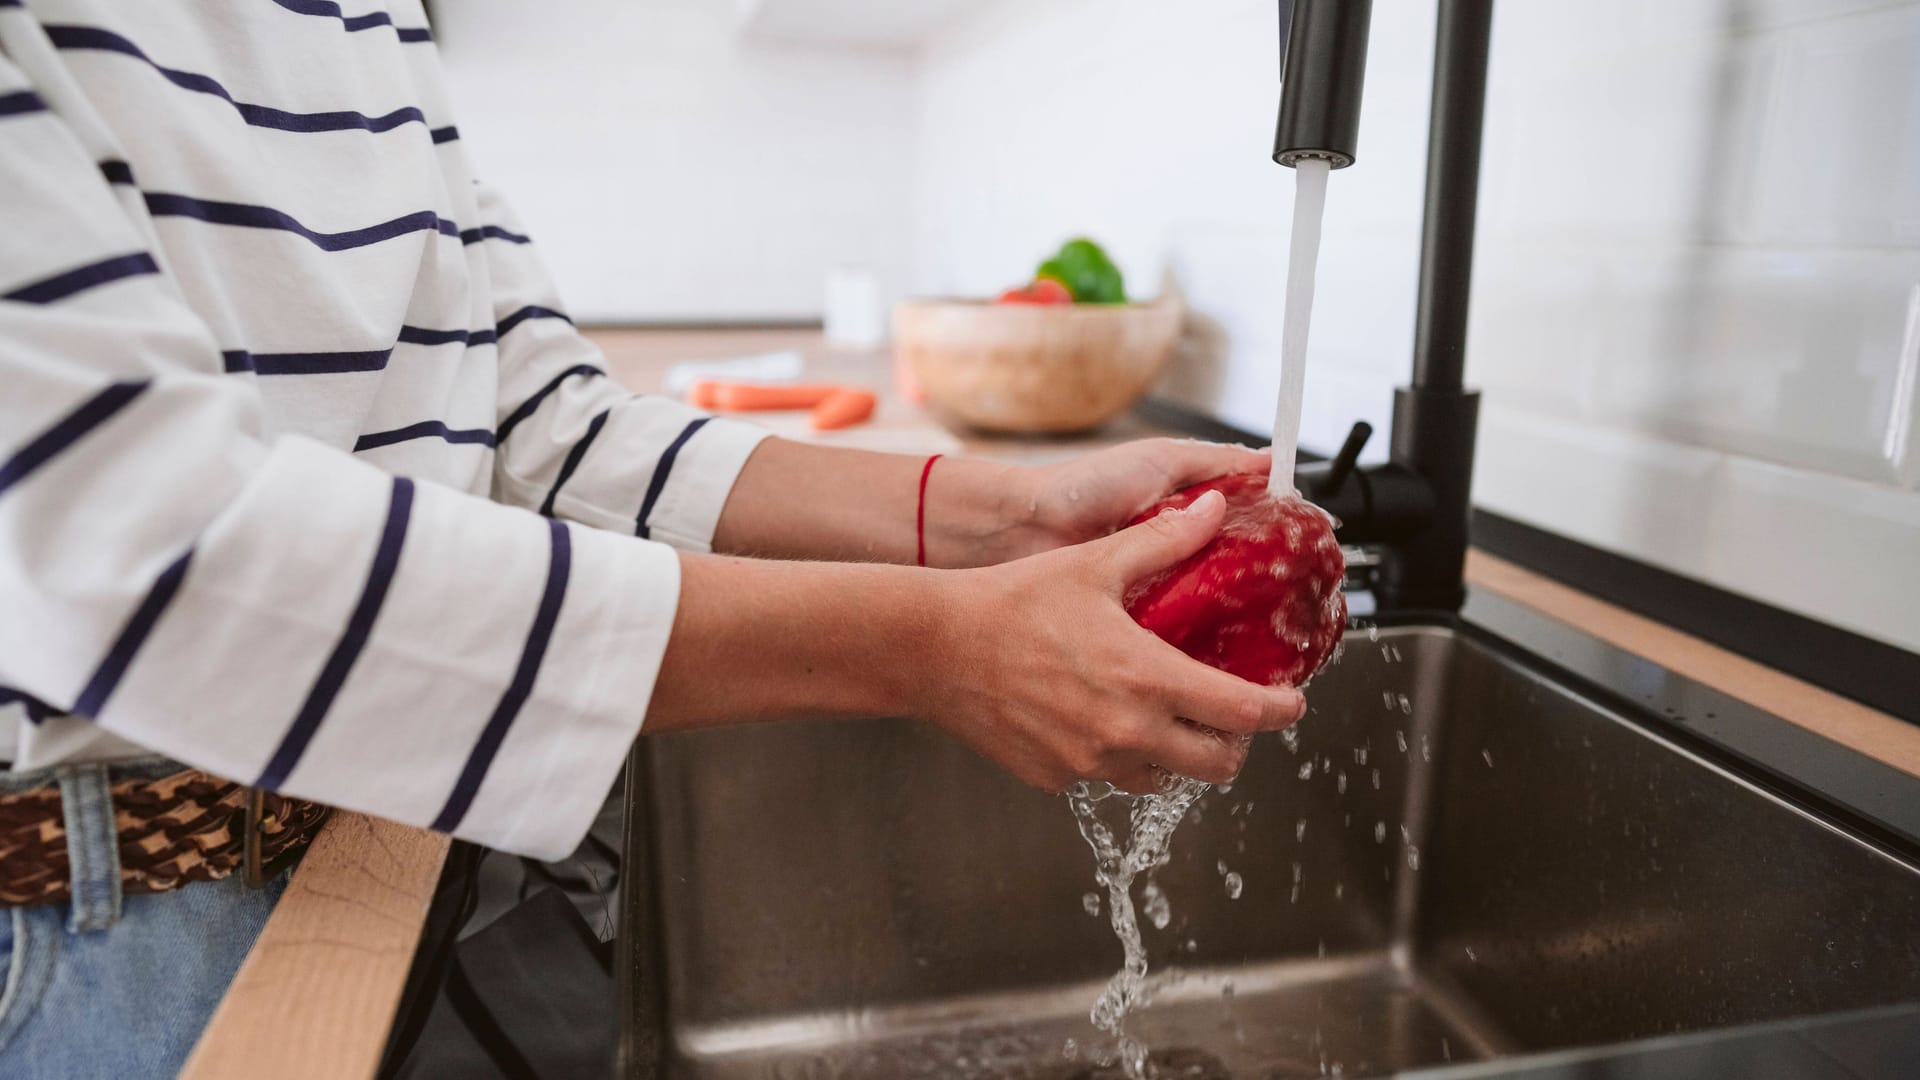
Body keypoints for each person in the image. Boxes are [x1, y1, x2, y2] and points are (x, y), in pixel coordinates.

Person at [0, 3, 1306, 1074]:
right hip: (100, 932)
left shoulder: (372, 16)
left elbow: (539, 418)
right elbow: (151, 554)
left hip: (371, 825)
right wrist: (933, 648)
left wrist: (1001, 511)